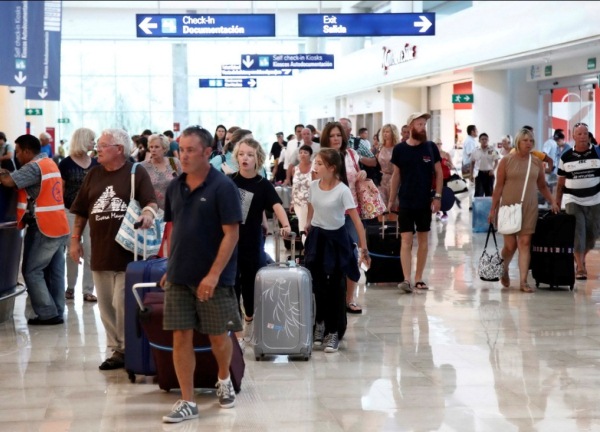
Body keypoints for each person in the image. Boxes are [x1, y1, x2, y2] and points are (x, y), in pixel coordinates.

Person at [159, 125, 243, 423]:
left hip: (215, 278)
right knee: (181, 336)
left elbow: (231, 235)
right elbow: (173, 230)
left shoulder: (223, 187)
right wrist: (170, 267)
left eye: (190, 150)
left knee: (218, 336)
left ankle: (223, 378)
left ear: (208, 152)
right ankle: (187, 400)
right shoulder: (174, 187)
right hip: (180, 276)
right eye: (181, 149)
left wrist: (213, 275)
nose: (183, 155)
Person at [70, 128, 158, 370]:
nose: (96, 148)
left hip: (127, 253)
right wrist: (75, 239)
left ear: (119, 149)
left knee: (122, 303)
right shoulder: (93, 174)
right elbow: (80, 211)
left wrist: (148, 214)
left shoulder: (135, 172)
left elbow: (150, 200)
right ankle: (117, 348)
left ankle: (127, 349)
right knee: (107, 307)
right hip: (100, 251)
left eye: (102, 145)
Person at [304, 148, 370, 352]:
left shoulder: (342, 190)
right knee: (317, 286)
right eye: (316, 163)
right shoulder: (314, 186)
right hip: (318, 239)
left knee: (335, 288)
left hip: (337, 240)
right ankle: (320, 324)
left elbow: (356, 221)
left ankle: (334, 331)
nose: (315, 167)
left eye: (320, 164)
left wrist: (363, 248)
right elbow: (311, 207)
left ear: (332, 168)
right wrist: (308, 225)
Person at [0, 134, 70, 325]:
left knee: (32, 271)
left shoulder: (33, 167)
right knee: (55, 271)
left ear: (27, 151)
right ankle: (57, 309)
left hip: (44, 226)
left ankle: (47, 313)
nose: (17, 156)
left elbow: (9, 182)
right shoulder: (49, 163)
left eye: (18, 151)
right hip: (59, 225)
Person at [228, 138, 291, 349]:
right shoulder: (229, 181)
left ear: (258, 159)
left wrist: (286, 224)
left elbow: (276, 205)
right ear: (236, 157)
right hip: (229, 243)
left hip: (253, 242)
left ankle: (251, 319)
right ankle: (236, 333)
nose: (245, 158)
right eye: (241, 154)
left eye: (250, 154)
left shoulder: (262, 184)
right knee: (232, 286)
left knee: (252, 285)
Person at [488, 128, 558, 292]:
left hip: (529, 206)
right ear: (518, 142)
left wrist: (553, 201)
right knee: (510, 246)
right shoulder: (506, 160)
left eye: (531, 141)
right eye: (525, 140)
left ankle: (523, 282)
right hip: (508, 206)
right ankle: (503, 268)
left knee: (525, 243)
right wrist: (493, 209)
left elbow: (542, 185)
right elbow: (498, 187)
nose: (528, 143)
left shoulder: (536, 162)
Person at [388, 112, 443, 293]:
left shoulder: (430, 147)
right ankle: (406, 278)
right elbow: (396, 175)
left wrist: (438, 197)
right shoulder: (400, 149)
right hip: (405, 201)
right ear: (410, 126)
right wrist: (391, 199)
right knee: (406, 239)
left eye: (424, 124)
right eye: (419, 124)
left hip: (424, 201)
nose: (422, 128)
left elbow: (439, 173)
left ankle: (419, 277)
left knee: (423, 239)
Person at [320, 121, 367, 314]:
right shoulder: (322, 158)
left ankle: (350, 298)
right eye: (332, 136)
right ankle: (331, 297)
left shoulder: (352, 155)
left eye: (338, 135)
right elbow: (316, 184)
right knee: (329, 259)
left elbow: (357, 175)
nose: (336, 139)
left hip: (351, 211)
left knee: (352, 255)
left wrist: (362, 173)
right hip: (329, 213)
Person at [555, 122, 600, 281]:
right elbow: (560, 183)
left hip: (595, 200)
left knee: (592, 235)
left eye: (585, 133)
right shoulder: (566, 157)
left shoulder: (597, 153)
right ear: (573, 136)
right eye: (579, 134)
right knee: (577, 232)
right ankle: (580, 267)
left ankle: (581, 257)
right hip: (572, 200)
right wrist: (556, 202)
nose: (582, 137)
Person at [59, 127, 99, 303]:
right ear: (83, 140)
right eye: (91, 139)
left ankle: (88, 290)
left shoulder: (96, 163)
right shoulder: (65, 164)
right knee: (71, 251)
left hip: (92, 214)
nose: (94, 143)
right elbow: (60, 190)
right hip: (70, 212)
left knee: (91, 251)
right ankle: (70, 287)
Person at [140, 133, 182, 209]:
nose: (153, 150)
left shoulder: (173, 162)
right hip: (153, 211)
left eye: (156, 147)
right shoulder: (143, 166)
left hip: (174, 208)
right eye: (151, 147)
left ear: (164, 148)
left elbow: (182, 182)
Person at [289, 144, 315, 244]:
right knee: (302, 226)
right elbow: (294, 186)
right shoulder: (294, 169)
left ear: (310, 155)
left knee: (307, 226)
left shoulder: (314, 168)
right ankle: (308, 248)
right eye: (300, 153)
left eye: (305, 152)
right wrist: (292, 202)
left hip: (311, 202)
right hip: (298, 203)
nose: (302, 154)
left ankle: (309, 248)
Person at [377, 123, 400, 222]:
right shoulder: (379, 147)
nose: (385, 134)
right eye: (384, 132)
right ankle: (381, 232)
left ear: (393, 133)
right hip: (381, 179)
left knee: (393, 208)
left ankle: (393, 233)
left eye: (387, 132)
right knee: (381, 207)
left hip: (394, 178)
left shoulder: (398, 148)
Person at [470, 133, 500, 198]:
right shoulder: (475, 150)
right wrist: (471, 175)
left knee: (489, 194)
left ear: (488, 140)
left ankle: (489, 208)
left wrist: (493, 170)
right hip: (479, 174)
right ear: (479, 141)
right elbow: (472, 163)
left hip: (489, 174)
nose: (484, 141)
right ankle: (478, 208)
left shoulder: (492, 150)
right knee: (478, 194)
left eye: (486, 139)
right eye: (482, 139)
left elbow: (496, 161)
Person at [435, 139, 456, 221]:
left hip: (446, 177)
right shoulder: (433, 154)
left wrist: (448, 164)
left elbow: (452, 166)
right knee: (437, 194)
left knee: (444, 194)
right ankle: (437, 209)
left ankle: (444, 211)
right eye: (437, 144)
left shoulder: (446, 154)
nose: (439, 145)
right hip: (436, 177)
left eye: (440, 143)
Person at [461, 125, 478, 209]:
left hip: (469, 166)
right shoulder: (469, 141)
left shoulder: (471, 140)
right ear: (472, 131)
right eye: (476, 130)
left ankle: (471, 203)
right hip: (469, 166)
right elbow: (471, 154)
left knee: (472, 185)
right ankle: (471, 204)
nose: (477, 132)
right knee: (472, 186)